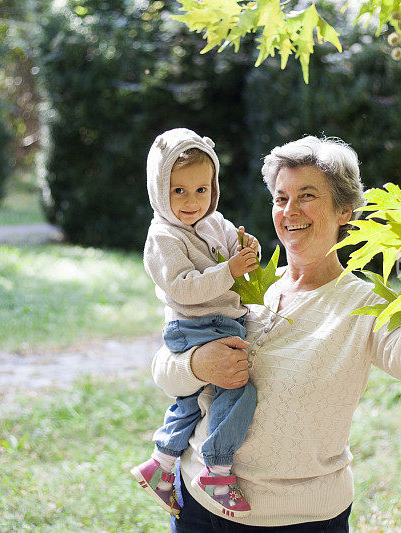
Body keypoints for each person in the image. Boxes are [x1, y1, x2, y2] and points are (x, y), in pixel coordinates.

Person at [151, 136, 401, 532]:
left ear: (344, 210)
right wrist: (196, 364)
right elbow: (164, 368)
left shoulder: (361, 302)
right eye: (281, 198)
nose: (290, 210)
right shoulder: (245, 285)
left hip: (298, 519)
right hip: (194, 504)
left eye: (307, 195)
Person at [131, 128, 261, 519]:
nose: (192, 202)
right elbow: (184, 287)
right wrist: (229, 269)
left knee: (191, 399)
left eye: (201, 190)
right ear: (159, 190)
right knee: (237, 386)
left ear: (213, 187)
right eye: (178, 191)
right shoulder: (162, 236)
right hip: (196, 323)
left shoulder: (214, 222)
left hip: (214, 320)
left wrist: (244, 249)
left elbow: (231, 256)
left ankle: (161, 462)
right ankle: (217, 469)